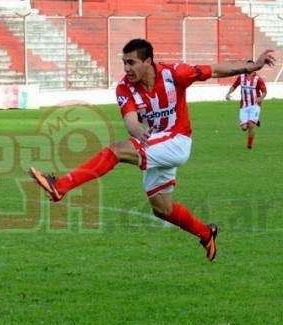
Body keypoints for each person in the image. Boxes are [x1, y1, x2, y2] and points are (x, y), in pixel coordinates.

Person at [29, 39, 276, 262]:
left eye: (131, 63)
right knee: (162, 209)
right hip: (154, 142)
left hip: (178, 141)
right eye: (124, 63)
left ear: (148, 62)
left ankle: (60, 186)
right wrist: (136, 131)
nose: (126, 69)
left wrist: (251, 66)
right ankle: (205, 233)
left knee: (115, 151)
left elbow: (214, 70)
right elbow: (130, 119)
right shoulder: (125, 88)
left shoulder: (174, 73)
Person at [225, 60, 267, 149]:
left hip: (255, 105)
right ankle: (255, 120)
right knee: (244, 128)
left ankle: (249, 145)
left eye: (251, 66)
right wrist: (228, 93)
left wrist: (260, 98)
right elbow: (234, 85)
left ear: (254, 67)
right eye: (247, 66)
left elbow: (264, 91)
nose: (249, 68)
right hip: (243, 106)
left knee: (251, 125)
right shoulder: (241, 77)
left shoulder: (258, 79)